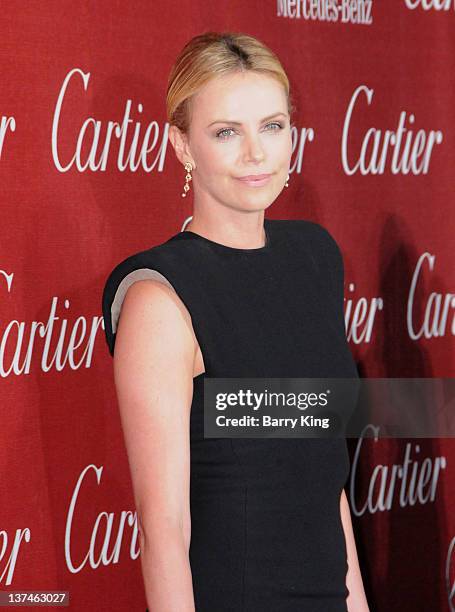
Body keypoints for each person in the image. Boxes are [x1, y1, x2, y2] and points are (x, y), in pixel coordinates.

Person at [102, 31, 370, 612]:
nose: (257, 154)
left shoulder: (314, 258)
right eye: (227, 132)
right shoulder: (160, 298)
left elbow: (325, 479)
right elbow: (163, 531)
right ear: (182, 146)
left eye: (272, 126)